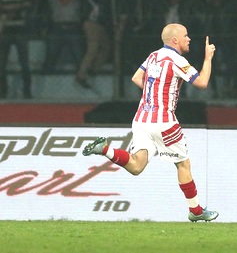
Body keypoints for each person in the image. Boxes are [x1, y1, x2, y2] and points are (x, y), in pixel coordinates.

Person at [82, 23, 219, 222]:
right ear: (175, 40)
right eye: (186, 36)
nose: (189, 39)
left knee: (136, 166)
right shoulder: (177, 60)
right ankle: (196, 212)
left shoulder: (153, 56)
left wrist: (153, 93)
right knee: (183, 164)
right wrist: (208, 58)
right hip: (164, 121)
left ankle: (105, 150)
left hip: (141, 119)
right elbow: (202, 82)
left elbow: (137, 77)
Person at [0, 0, 33, 99]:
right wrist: (16, 10)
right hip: (6, 31)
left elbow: (27, 8)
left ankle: (27, 90)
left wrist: (8, 12)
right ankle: (3, 90)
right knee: (1, 64)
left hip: (20, 30)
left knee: (24, 62)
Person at [41, 0, 84, 75]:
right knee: (51, 56)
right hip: (57, 26)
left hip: (74, 26)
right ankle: (47, 79)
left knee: (79, 56)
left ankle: (82, 76)